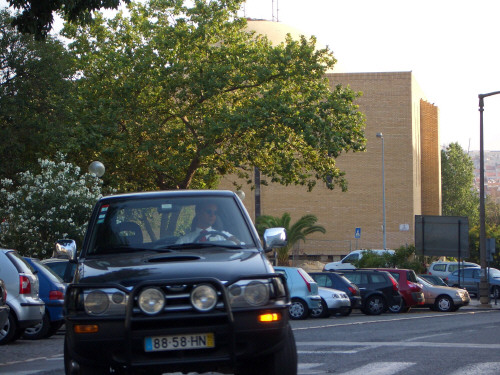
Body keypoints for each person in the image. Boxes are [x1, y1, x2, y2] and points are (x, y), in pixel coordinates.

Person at [176, 202, 240, 244]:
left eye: (215, 213)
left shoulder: (224, 237)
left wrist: (236, 243)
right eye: (209, 211)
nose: (212, 215)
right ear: (198, 213)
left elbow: (243, 246)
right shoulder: (184, 241)